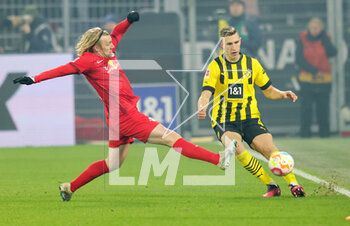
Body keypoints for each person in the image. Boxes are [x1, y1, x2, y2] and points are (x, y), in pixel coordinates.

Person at [13, 11, 235, 202]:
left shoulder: (109, 52)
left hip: (118, 118)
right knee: (170, 137)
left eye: (111, 42)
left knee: (113, 164)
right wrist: (35, 79)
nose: (113, 44)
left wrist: (128, 21)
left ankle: (70, 187)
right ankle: (218, 160)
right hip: (126, 116)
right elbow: (63, 69)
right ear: (96, 45)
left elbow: (118, 32)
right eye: (108, 42)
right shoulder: (88, 60)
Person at [197, 26, 306, 197]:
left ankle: (294, 185)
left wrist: (282, 94)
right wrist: (202, 104)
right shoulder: (215, 66)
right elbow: (206, 93)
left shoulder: (252, 64)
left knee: (269, 149)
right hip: (225, 121)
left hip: (250, 118)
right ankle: (271, 186)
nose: (233, 47)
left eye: (236, 42)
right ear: (221, 45)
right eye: (229, 44)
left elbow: (268, 90)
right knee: (236, 148)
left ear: (240, 41)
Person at [295, 17, 337, 138]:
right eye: (312, 27)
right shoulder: (302, 39)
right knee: (306, 108)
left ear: (321, 29)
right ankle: (305, 134)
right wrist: (314, 70)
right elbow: (299, 59)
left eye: (317, 28)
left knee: (323, 108)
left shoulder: (325, 39)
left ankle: (324, 134)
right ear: (309, 28)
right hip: (306, 79)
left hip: (324, 80)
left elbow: (333, 53)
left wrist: (325, 39)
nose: (314, 30)